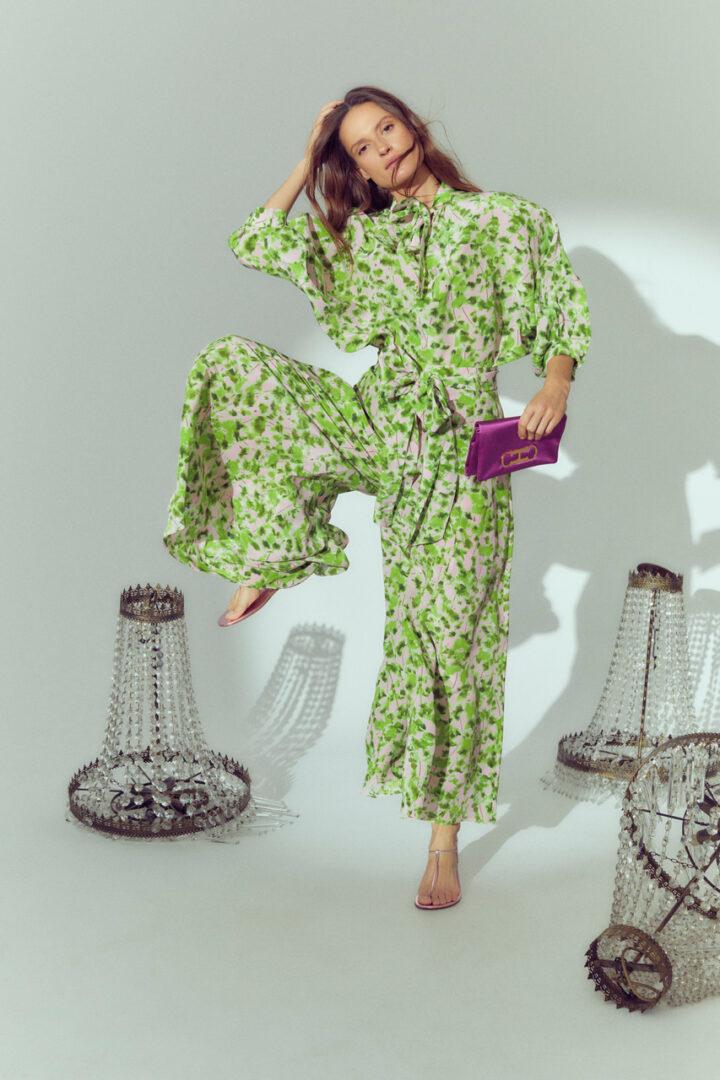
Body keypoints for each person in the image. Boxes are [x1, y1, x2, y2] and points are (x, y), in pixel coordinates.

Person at [162, 85, 592, 909]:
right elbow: (254, 239)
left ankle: (442, 840)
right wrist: (309, 152)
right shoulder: (364, 239)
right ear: (355, 167)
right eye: (360, 147)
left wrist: (555, 386)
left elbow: (559, 311)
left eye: (385, 129)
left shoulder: (502, 220)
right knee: (232, 366)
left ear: (413, 127)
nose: (381, 149)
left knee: (448, 636)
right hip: (381, 421)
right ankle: (274, 553)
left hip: (461, 453)